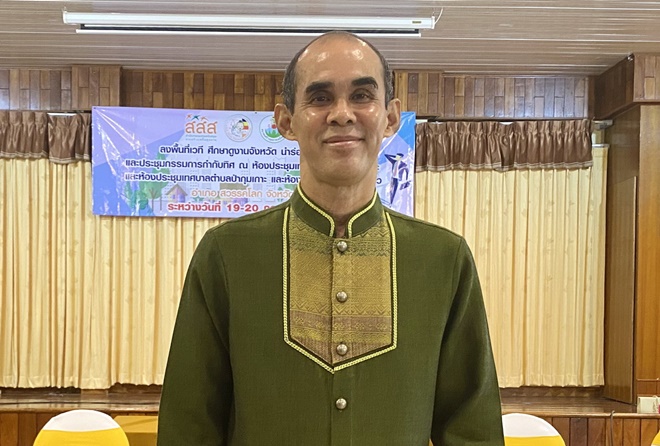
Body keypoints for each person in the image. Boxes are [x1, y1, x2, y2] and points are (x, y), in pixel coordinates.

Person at [157, 31, 504, 446]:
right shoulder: (227, 255)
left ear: (391, 117)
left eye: (362, 96)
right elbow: (189, 427)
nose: (342, 114)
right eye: (320, 98)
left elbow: (472, 430)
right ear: (285, 122)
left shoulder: (443, 260)